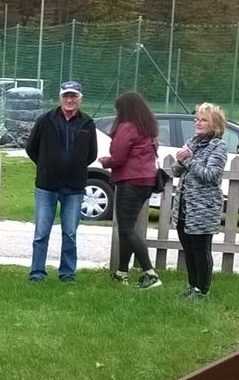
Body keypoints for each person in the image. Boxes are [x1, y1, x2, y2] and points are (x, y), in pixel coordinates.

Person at [25, 80, 97, 283]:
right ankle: (37, 273)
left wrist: (74, 167)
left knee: (70, 233)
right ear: (60, 98)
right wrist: (46, 165)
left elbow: (91, 154)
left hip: (74, 187)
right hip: (46, 186)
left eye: (73, 96)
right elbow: (31, 148)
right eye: (66, 96)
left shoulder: (87, 123)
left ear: (80, 99)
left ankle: (67, 273)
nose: (69, 100)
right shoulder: (45, 120)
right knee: (41, 232)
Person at [98, 91, 162, 289]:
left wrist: (105, 161)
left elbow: (118, 157)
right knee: (128, 228)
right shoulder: (148, 128)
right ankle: (121, 272)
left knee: (127, 229)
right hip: (146, 182)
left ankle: (150, 273)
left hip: (130, 181)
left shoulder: (127, 127)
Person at [171, 102, 228, 299]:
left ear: (215, 124)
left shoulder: (218, 147)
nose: (198, 122)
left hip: (203, 208)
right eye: (197, 119)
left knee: (200, 250)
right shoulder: (192, 142)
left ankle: (202, 290)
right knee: (188, 249)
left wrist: (188, 160)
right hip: (185, 206)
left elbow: (210, 175)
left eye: (203, 120)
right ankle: (192, 284)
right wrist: (180, 161)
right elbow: (175, 171)